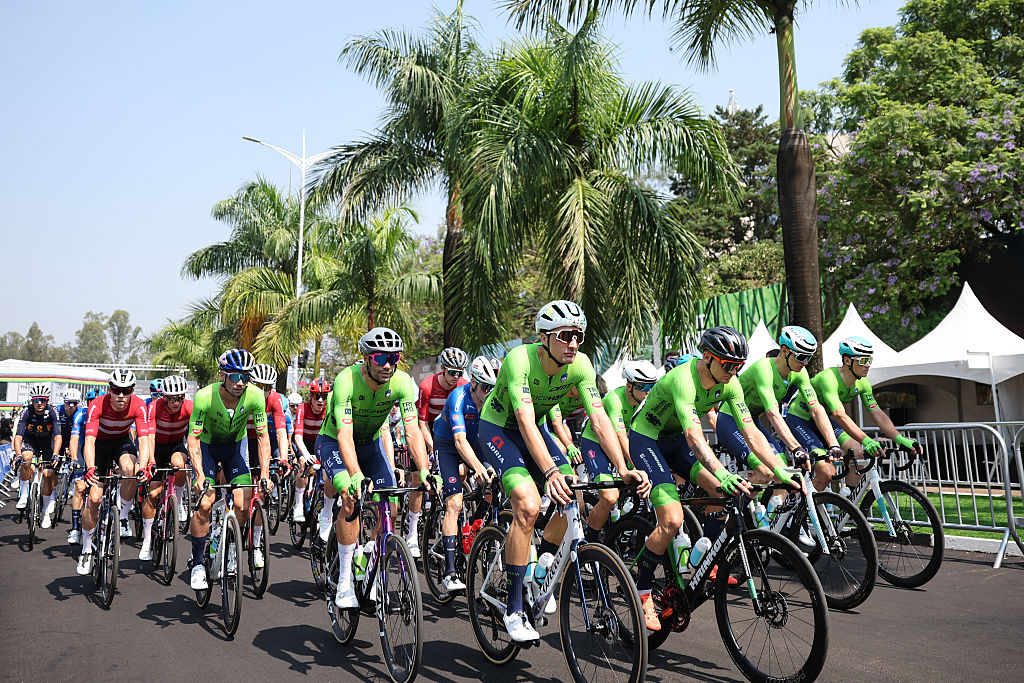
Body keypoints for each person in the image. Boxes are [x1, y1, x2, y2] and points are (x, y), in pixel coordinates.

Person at [478, 300, 650, 642]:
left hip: (535, 431)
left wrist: (623, 467)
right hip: (498, 428)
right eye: (565, 335)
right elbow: (524, 420)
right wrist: (549, 472)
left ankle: (542, 561)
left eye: (578, 335)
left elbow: (599, 420)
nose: (573, 343)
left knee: (577, 495)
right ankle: (513, 609)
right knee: (527, 504)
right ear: (544, 338)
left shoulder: (581, 365)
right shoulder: (520, 360)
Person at [629, 327, 757, 631]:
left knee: (721, 495)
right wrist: (723, 472)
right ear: (708, 357)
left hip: (675, 443)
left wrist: (778, 467)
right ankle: (643, 591)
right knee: (671, 520)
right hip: (647, 440)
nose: (734, 371)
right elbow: (694, 434)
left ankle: (706, 562)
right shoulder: (683, 379)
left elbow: (750, 429)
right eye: (729, 365)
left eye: (739, 366)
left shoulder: (730, 383)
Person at [316, 327, 435, 610]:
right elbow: (344, 436)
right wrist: (355, 477)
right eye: (381, 357)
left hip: (369, 445)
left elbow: (412, 430)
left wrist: (425, 469)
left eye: (394, 357)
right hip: (334, 441)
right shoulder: (346, 380)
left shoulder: (403, 382)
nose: (387, 364)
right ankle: (344, 581)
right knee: (350, 497)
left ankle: (367, 556)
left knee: (391, 508)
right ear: (367, 358)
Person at [785, 335, 923, 490]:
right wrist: (867, 440)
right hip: (800, 419)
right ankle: (803, 510)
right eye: (863, 360)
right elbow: (839, 414)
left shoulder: (863, 384)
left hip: (822, 421)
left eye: (869, 360)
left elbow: (877, 413)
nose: (868, 365)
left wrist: (900, 439)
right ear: (848, 360)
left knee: (858, 454)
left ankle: (848, 503)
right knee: (826, 472)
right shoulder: (829, 378)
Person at [716, 326, 843, 491]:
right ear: (784, 350)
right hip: (730, 421)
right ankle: (735, 514)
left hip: (752, 421)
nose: (805, 363)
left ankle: (774, 512)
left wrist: (833, 444)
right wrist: (796, 447)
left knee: (784, 469)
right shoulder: (764, 369)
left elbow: (816, 408)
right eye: (801, 357)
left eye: (809, 358)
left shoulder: (799, 372)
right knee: (767, 470)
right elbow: (772, 413)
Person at [185, 348, 271, 590]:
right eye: (234, 376)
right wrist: (200, 475)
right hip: (209, 448)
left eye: (246, 376)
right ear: (222, 375)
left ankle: (232, 547)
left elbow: (263, 437)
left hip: (235, 449)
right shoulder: (204, 397)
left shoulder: (255, 395)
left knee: (243, 504)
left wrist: (264, 474)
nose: (240, 382)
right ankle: (199, 563)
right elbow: (193, 439)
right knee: (205, 503)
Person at [432, 356, 497, 591]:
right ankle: (449, 572)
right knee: (455, 503)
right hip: (448, 443)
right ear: (473, 384)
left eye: (492, 387)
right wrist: (477, 467)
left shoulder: (491, 400)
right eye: (484, 387)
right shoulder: (458, 397)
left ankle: (474, 528)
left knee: (494, 482)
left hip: (475, 442)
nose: (488, 392)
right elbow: (459, 441)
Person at [77, 370, 152, 575]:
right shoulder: (97, 405)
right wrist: (90, 467)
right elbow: (89, 441)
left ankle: (124, 516)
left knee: (130, 470)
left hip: (121, 442)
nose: (121, 395)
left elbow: (144, 440)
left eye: (125, 391)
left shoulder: (138, 405)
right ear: (109, 390)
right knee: (94, 498)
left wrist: (144, 467)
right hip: (99, 445)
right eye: (116, 390)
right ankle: (85, 549)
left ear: (132, 391)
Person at [577, 359, 659, 542]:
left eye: (652, 386)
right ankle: (590, 541)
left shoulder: (646, 401)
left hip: (621, 444)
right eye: (643, 386)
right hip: (595, 444)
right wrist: (638, 465)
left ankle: (620, 525)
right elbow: (620, 436)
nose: (648, 391)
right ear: (629, 385)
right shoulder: (615, 399)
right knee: (609, 497)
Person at [406, 347, 470, 558]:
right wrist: (433, 448)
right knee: (418, 477)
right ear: (442, 369)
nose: (456, 377)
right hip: (427, 429)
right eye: (452, 372)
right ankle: (412, 532)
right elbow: (421, 424)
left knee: (460, 472)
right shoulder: (427, 386)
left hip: (448, 429)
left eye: (460, 373)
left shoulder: (462, 385)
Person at [136, 375, 192, 561]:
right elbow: (149, 438)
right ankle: (146, 540)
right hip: (157, 449)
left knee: (180, 465)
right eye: (172, 399)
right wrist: (151, 462)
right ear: (164, 397)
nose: (176, 403)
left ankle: (180, 499)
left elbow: (194, 436)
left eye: (180, 398)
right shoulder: (154, 407)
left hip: (176, 446)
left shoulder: (189, 407)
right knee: (153, 495)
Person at [13, 384, 62, 529]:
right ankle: (23, 493)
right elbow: (18, 436)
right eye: (36, 400)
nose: (39, 403)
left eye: (42, 400)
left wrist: (55, 454)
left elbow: (58, 435)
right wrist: (17, 455)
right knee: (26, 458)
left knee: (48, 474)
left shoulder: (53, 411)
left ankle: (45, 512)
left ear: (47, 400)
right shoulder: (26, 411)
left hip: (47, 443)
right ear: (31, 401)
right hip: (31, 441)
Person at [291, 379, 330, 523]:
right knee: (303, 464)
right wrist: (306, 456)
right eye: (316, 396)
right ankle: (299, 504)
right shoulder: (302, 408)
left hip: (319, 443)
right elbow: (298, 438)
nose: (320, 400)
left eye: (324, 397)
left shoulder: (329, 410)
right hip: (302, 442)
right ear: (310, 397)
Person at [66, 390, 99, 544]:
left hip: (99, 451)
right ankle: (74, 529)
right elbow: (74, 440)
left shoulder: (106, 416)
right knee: (80, 487)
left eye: (97, 400)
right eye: (91, 400)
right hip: (81, 448)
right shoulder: (80, 415)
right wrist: (74, 458)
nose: (94, 403)